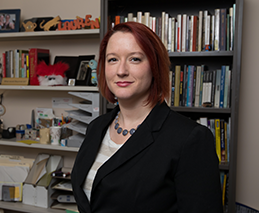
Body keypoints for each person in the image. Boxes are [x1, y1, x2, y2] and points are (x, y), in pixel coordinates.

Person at [71, 22, 223, 213]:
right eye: (112, 60)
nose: (121, 70)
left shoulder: (190, 138)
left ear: (155, 66)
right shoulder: (96, 127)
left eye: (134, 59)